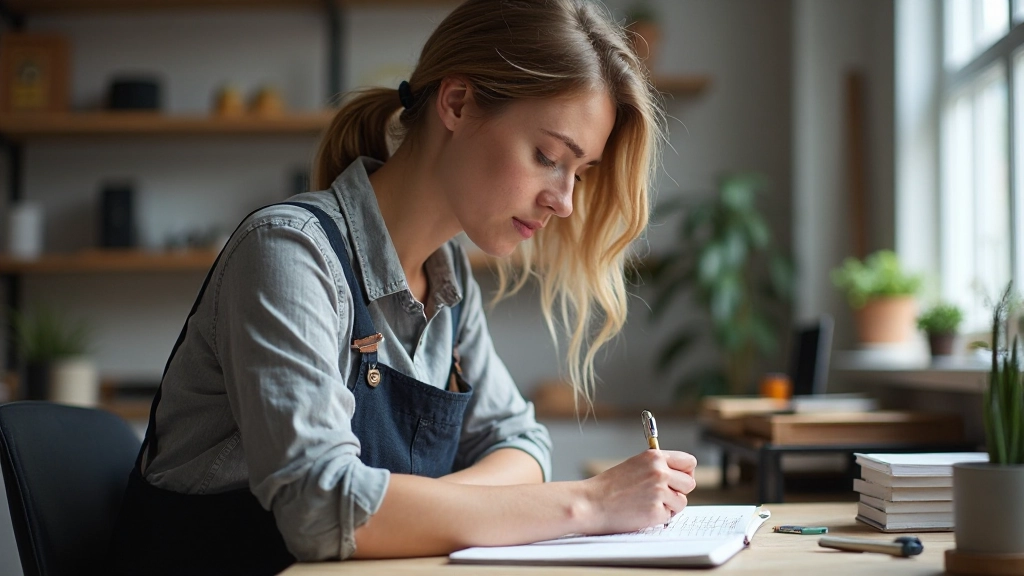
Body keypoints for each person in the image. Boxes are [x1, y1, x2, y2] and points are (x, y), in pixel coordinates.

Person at [107, 0, 697, 574]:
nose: (564, 202)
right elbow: (322, 508)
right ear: (459, 103)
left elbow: (521, 443)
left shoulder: (448, 278)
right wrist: (587, 505)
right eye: (548, 156)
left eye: (579, 173)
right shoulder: (289, 253)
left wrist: (401, 507)